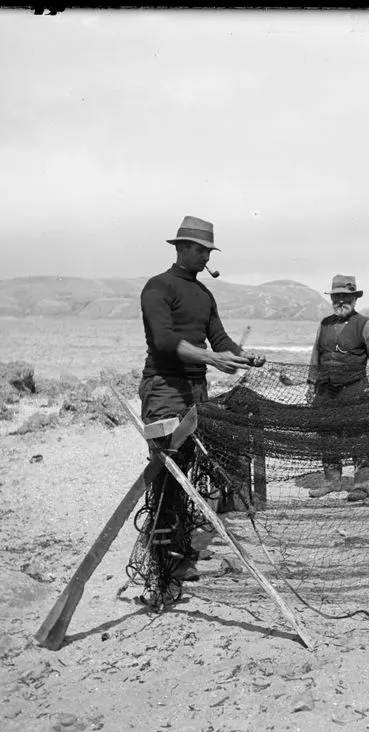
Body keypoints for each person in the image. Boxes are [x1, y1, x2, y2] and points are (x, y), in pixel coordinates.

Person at [133, 214, 264, 607]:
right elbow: (164, 341)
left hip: (195, 390)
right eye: (201, 248)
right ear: (182, 248)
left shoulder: (204, 296)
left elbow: (220, 337)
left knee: (186, 469)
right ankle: (163, 561)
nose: (206, 255)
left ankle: (180, 551)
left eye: (209, 249)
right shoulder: (158, 287)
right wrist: (211, 358)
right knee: (166, 473)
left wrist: (244, 357)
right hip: (164, 388)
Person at [305, 275, 369, 503]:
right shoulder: (325, 324)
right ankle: (332, 481)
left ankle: (360, 484)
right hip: (325, 389)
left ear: (354, 299)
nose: (341, 301)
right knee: (326, 434)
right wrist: (311, 383)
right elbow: (316, 355)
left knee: (358, 435)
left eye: (346, 297)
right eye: (337, 297)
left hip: (355, 388)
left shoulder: (367, 325)